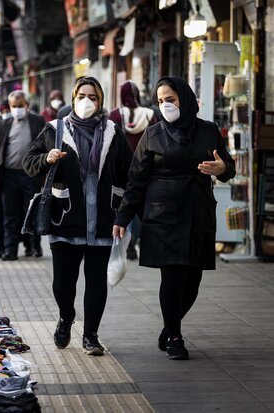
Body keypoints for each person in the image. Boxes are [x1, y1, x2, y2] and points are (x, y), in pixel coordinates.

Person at [112, 76, 235, 360]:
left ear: (185, 98)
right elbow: (135, 180)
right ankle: (176, 337)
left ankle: (169, 327)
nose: (165, 105)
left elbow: (228, 167)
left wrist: (221, 168)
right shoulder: (153, 134)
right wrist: (122, 217)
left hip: (199, 210)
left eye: (171, 99)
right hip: (163, 213)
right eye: (160, 101)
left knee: (193, 279)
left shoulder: (208, 130)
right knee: (173, 276)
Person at [22, 76, 133, 355]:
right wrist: (46, 159)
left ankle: (91, 335)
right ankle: (66, 317)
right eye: (82, 96)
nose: (87, 101)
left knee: (96, 282)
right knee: (63, 282)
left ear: (101, 101)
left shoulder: (113, 132)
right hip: (65, 218)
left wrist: (124, 213)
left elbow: (129, 173)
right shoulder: (55, 129)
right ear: (73, 99)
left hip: (102, 219)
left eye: (93, 97)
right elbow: (28, 162)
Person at [0, 91, 46, 260]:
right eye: (14, 106)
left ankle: (34, 246)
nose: (17, 109)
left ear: (27, 105)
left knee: (32, 211)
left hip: (30, 175)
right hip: (9, 176)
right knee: (10, 215)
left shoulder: (37, 121)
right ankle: (10, 250)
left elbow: (44, 145)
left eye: (20, 106)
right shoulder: (3, 124)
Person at [109, 81, 158, 260]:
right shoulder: (150, 115)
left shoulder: (115, 115)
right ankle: (141, 241)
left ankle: (126, 243)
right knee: (143, 207)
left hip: (122, 169)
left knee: (124, 205)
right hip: (147, 168)